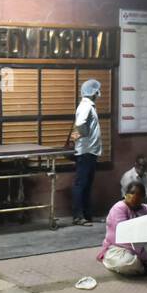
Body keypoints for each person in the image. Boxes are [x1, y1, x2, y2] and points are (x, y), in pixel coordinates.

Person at [64, 79, 103, 225]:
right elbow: (80, 124)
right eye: (97, 90)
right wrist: (85, 134)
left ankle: (86, 215)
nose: (99, 93)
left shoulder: (89, 106)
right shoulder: (86, 106)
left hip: (90, 151)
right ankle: (78, 216)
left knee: (86, 184)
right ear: (93, 92)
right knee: (81, 184)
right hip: (86, 151)